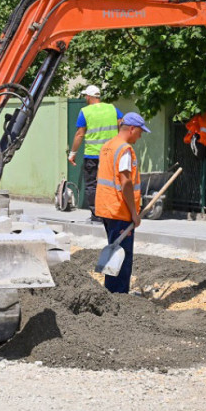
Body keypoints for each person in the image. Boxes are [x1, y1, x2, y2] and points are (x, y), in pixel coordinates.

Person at [95, 112, 151, 293]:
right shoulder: (125, 149)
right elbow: (125, 181)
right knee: (122, 258)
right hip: (120, 210)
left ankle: (111, 293)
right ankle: (118, 297)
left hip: (106, 208)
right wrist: (134, 213)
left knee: (113, 252)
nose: (140, 136)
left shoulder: (107, 146)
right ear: (132, 129)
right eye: (140, 131)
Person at [67, 85, 123, 221]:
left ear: (88, 97)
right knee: (111, 184)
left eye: (85, 96)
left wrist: (72, 153)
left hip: (93, 155)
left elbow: (80, 134)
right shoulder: (112, 108)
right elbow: (121, 124)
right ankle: (112, 213)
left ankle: (97, 216)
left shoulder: (85, 112)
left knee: (92, 185)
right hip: (111, 154)